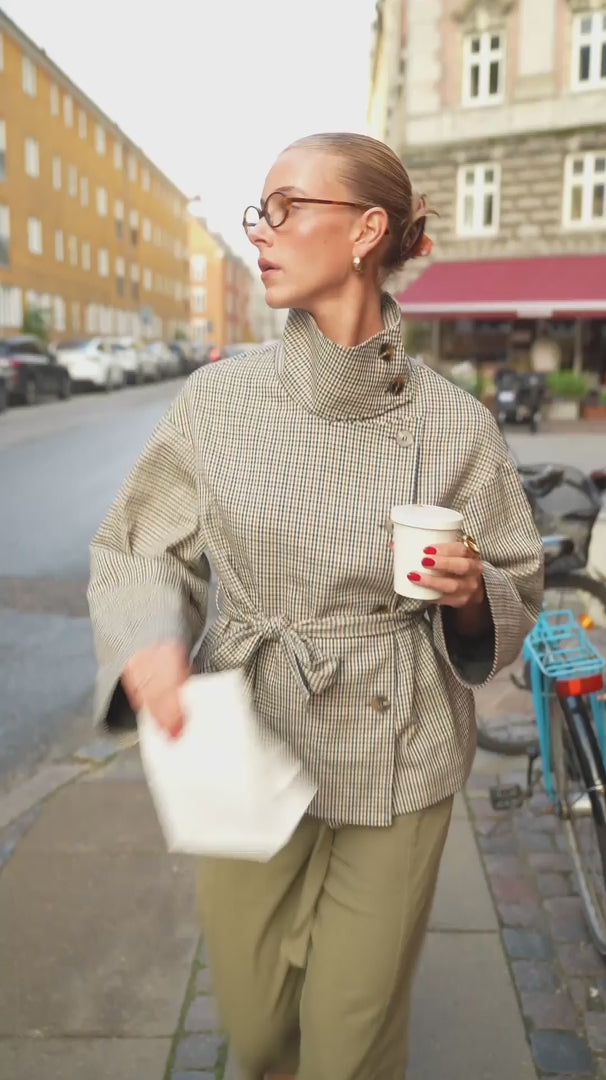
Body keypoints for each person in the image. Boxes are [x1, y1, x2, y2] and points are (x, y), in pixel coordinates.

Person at [88, 132, 543, 1080]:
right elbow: (138, 546)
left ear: (366, 231)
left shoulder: (456, 423)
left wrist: (472, 592)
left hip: (400, 744)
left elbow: (517, 584)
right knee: (258, 1033)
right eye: (260, 210)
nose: (261, 230)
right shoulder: (219, 399)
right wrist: (150, 642)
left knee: (350, 1045)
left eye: (287, 207)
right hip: (249, 734)